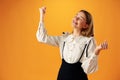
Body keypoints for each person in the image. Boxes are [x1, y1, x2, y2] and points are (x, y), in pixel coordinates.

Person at [36, 7, 108, 80]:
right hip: (62, 77)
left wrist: (96, 52)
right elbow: (42, 38)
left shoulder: (88, 41)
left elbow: (88, 69)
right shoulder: (64, 39)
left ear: (86, 25)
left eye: (80, 18)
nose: (76, 18)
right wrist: (42, 15)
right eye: (76, 15)